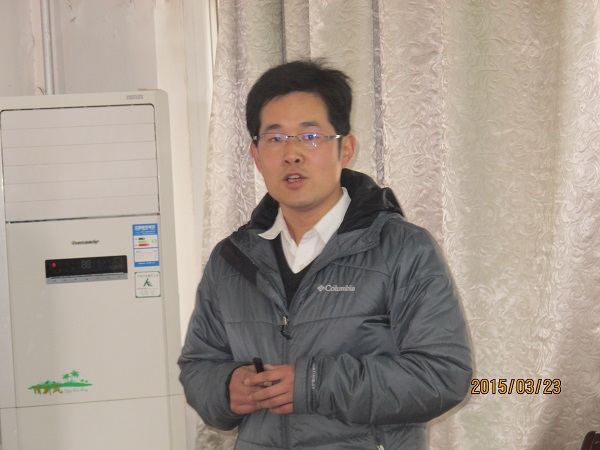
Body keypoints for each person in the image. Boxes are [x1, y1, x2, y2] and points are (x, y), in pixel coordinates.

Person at [179, 59, 472, 449]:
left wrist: (313, 384)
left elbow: (445, 375)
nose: (292, 153)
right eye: (275, 138)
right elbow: (197, 366)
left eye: (311, 136)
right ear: (256, 155)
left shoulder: (402, 249)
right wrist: (224, 388)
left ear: (345, 149)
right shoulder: (231, 260)